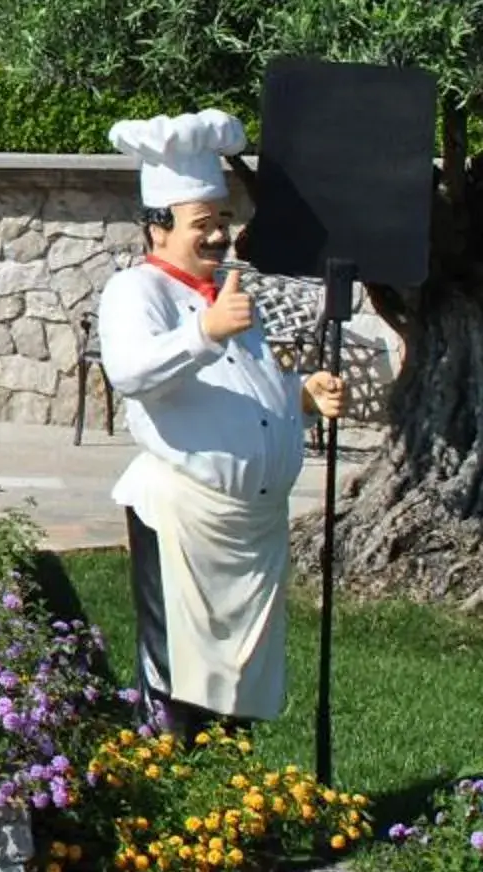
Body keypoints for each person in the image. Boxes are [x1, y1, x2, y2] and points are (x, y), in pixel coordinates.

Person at [96, 109, 345, 733]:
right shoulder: (137, 292)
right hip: (186, 513)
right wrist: (204, 330)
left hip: (251, 528)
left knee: (240, 683)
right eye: (202, 225)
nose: (217, 237)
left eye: (223, 223)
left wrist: (300, 396)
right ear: (158, 230)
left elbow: (245, 388)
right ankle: (173, 790)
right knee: (178, 670)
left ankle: (234, 796)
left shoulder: (227, 294)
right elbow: (131, 372)